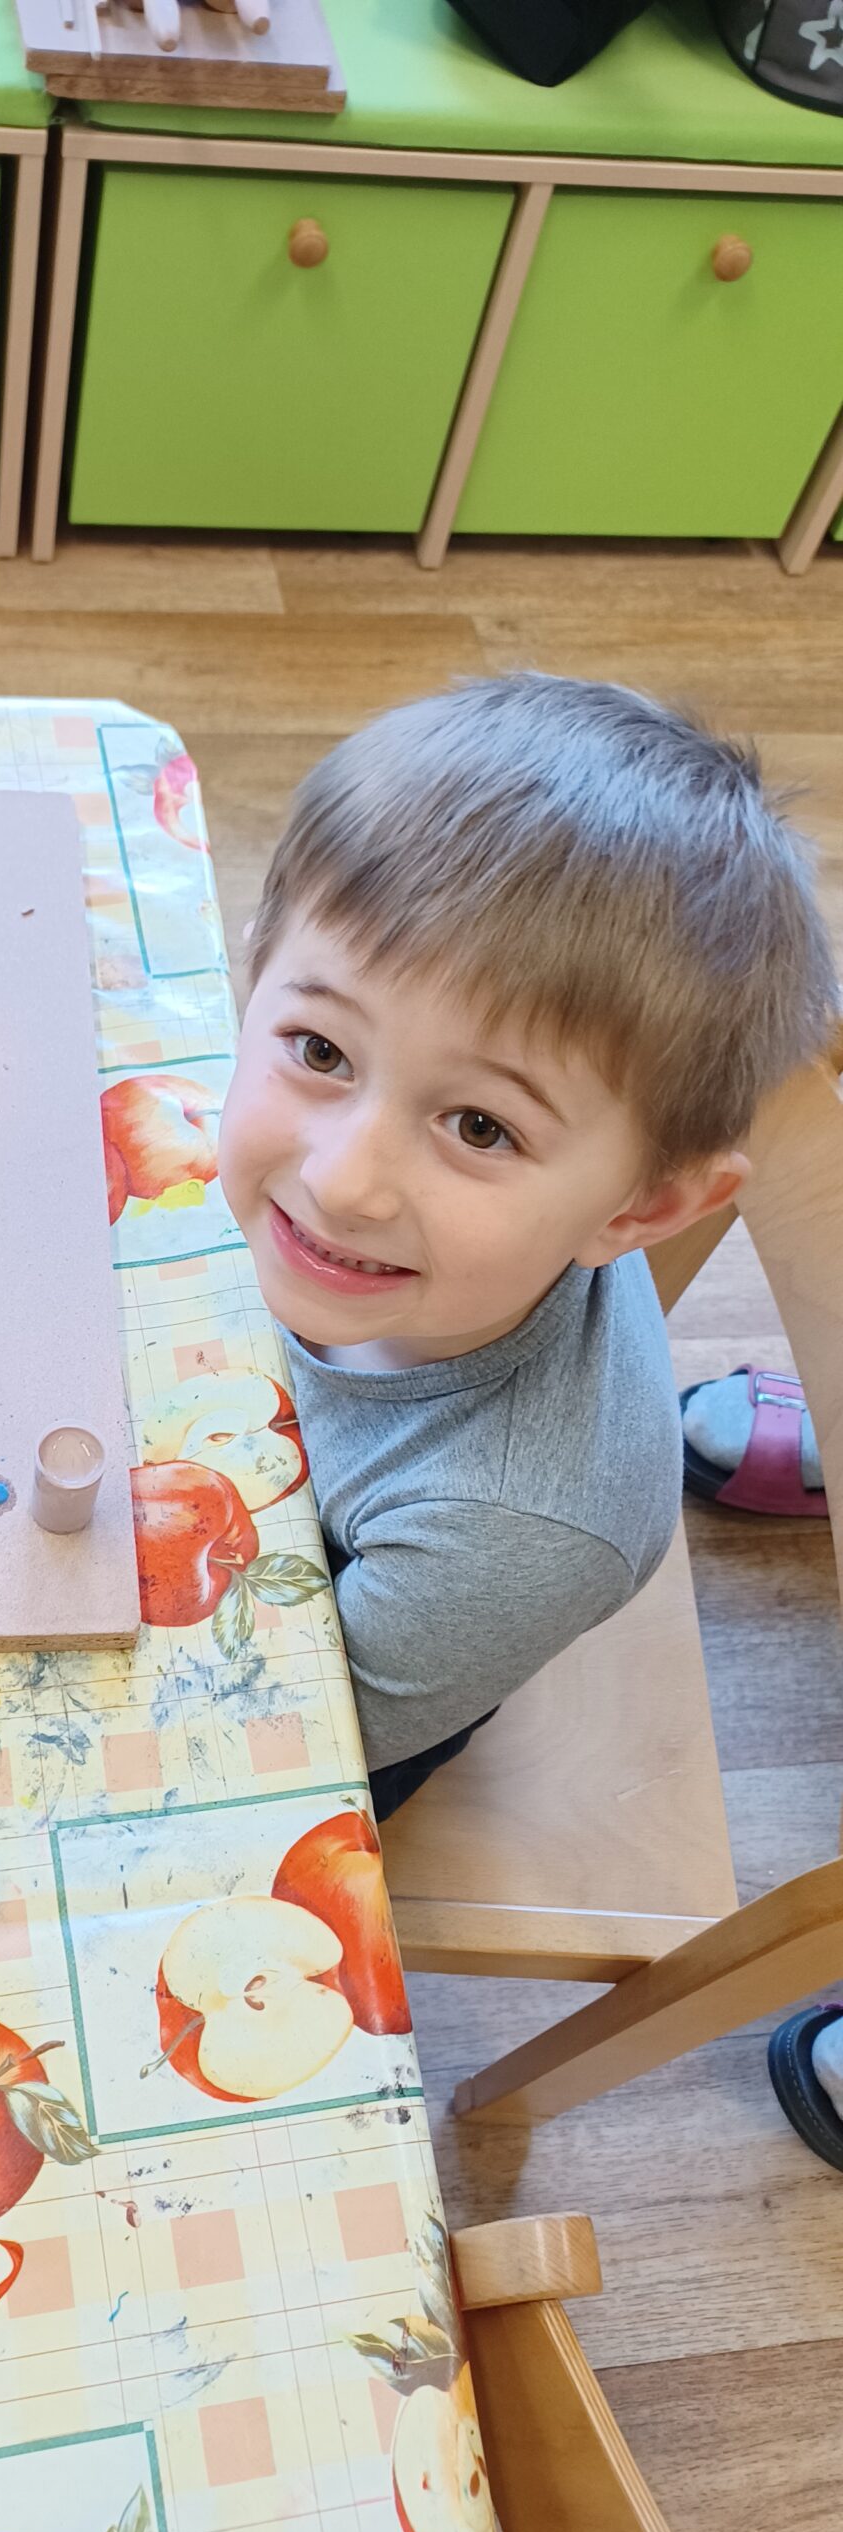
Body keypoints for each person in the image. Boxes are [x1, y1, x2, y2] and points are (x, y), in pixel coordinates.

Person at [218, 674, 838, 1818]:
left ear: (641, 1210)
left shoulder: (509, 1532)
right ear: (255, 976)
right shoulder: (383, 1243)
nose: (341, 1180)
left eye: (479, 1127)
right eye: (321, 1050)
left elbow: (275, 1746)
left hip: (337, 1691)